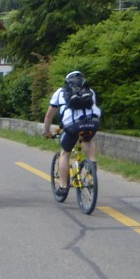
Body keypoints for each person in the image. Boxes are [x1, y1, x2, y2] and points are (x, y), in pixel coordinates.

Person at [43, 70, 101, 198]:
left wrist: (47, 131)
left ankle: (63, 186)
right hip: (93, 123)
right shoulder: (90, 91)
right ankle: (92, 164)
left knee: (65, 152)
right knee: (88, 140)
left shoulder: (60, 92)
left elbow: (49, 115)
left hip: (72, 125)